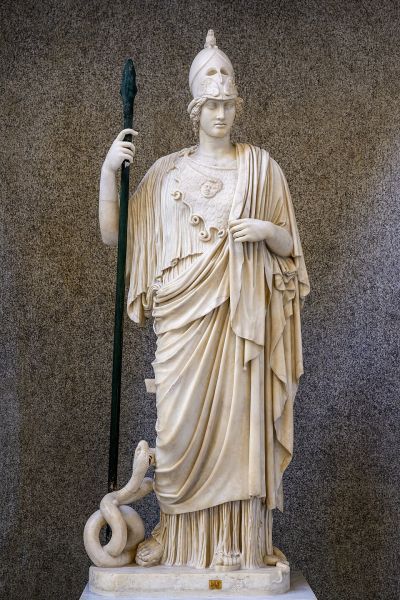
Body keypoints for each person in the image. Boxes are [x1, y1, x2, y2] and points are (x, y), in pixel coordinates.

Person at [98, 30, 309, 571]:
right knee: (177, 432)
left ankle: (239, 542)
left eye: (227, 103)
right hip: (181, 325)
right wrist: (108, 173)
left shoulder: (262, 169)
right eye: (211, 104)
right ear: (195, 109)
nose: (220, 113)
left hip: (241, 323)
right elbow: (116, 238)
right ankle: (175, 535)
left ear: (237, 105)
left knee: (239, 431)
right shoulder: (164, 175)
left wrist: (265, 230)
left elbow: (291, 251)